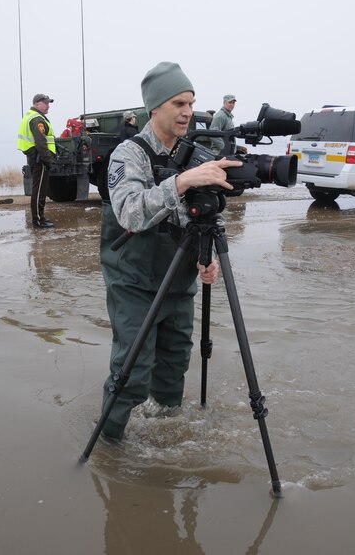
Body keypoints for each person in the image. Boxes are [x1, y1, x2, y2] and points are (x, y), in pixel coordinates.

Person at [100, 61, 243, 441]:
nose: (187, 112)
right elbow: (130, 212)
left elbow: (202, 214)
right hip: (133, 281)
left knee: (174, 365)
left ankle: (165, 439)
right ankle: (110, 445)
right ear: (155, 108)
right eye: (179, 103)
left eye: (191, 103)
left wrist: (205, 258)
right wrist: (180, 182)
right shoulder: (129, 154)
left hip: (177, 280)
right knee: (132, 369)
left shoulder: (194, 153)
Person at [17, 94, 56, 228]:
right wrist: (48, 160)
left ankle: (40, 218)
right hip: (40, 160)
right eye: (46, 103)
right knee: (39, 190)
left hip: (36, 158)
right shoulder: (37, 119)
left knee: (38, 189)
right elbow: (41, 143)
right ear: (37, 103)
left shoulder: (30, 116)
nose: (48, 106)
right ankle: (38, 220)